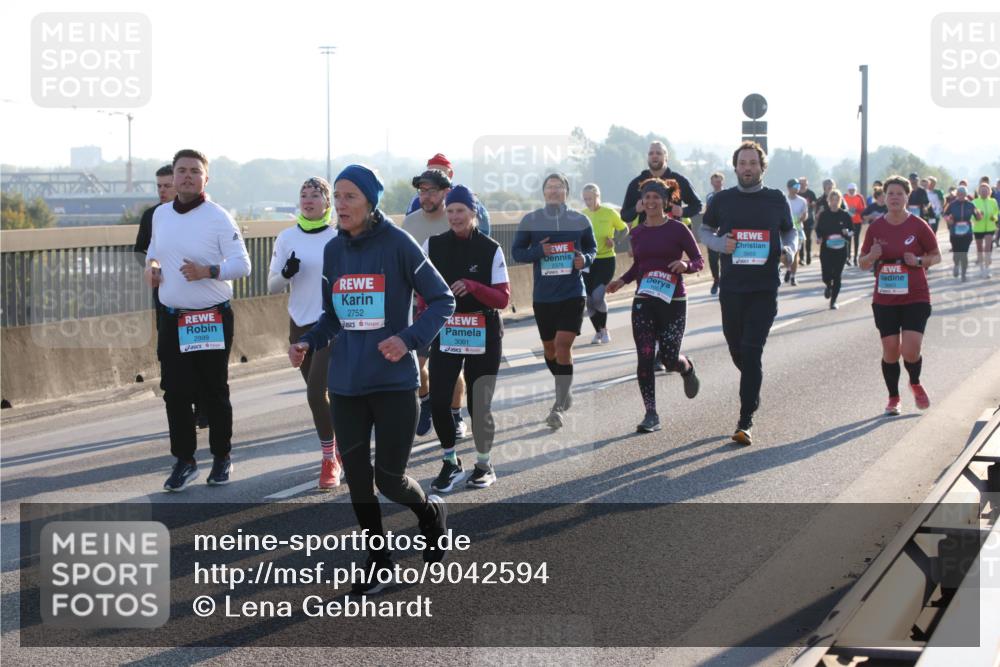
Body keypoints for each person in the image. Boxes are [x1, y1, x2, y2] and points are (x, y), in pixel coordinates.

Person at [289, 164, 454, 591]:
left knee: (390, 479)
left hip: (395, 383)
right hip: (345, 386)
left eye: (349, 197)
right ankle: (379, 559)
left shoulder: (399, 244)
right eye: (337, 197)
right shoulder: (333, 251)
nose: (340, 206)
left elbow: (442, 300)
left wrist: (409, 340)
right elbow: (332, 317)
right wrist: (309, 341)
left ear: (369, 202)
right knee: (359, 480)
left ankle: (429, 514)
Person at [145, 149, 251, 491]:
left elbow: (243, 265)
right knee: (174, 393)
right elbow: (153, 253)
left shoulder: (218, 217)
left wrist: (209, 271)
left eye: (194, 171)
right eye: (181, 171)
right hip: (173, 318)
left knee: (213, 391)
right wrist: (154, 269)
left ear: (206, 179)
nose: (187, 176)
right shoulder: (161, 214)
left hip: (210, 318)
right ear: (173, 177)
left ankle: (221, 457)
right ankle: (185, 460)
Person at [700, 141, 797, 445]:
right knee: (738, 350)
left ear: (761, 167)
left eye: (753, 163)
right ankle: (752, 382)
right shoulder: (722, 200)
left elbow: (789, 231)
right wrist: (718, 244)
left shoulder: (775, 199)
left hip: (764, 288)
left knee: (752, 350)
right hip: (732, 288)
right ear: (735, 167)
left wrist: (790, 249)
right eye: (742, 163)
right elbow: (703, 230)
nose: (747, 168)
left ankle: (745, 419)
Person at [423, 186, 509, 490]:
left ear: (473, 213)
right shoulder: (432, 245)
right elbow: (421, 293)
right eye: (450, 211)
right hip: (448, 331)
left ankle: (484, 464)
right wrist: (425, 314)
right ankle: (450, 462)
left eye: (461, 211)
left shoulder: (490, 248)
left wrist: (473, 286)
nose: (455, 216)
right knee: (439, 401)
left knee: (478, 404)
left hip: (483, 330)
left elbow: (502, 298)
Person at [607, 178, 703, 433]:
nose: (650, 202)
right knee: (645, 355)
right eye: (647, 198)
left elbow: (698, 260)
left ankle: (686, 367)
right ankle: (651, 413)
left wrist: (685, 266)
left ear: (666, 201)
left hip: (673, 300)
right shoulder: (636, 233)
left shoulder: (678, 229)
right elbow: (640, 266)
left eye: (656, 198)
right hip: (644, 299)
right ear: (641, 202)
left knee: (669, 359)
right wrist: (622, 281)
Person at [267, 177, 342, 490]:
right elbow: (272, 286)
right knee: (325, 396)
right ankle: (339, 448)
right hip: (299, 324)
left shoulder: (339, 237)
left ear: (327, 203)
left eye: (316, 195)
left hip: (331, 324)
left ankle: (329, 460)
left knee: (316, 394)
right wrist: (286, 272)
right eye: (304, 195)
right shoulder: (286, 237)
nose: (308, 200)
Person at [511, 173, 597, 429]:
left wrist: (586, 260)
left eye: (559, 187)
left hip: (572, 293)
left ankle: (558, 404)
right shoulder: (531, 220)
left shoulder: (579, 220)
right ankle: (564, 390)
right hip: (543, 296)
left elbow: (592, 249)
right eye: (550, 187)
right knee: (549, 349)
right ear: (544, 192)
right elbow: (516, 252)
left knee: (562, 346)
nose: (554, 191)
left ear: (566, 192)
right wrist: (540, 251)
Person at [858, 175, 941, 416]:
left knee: (910, 351)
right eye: (890, 193)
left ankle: (914, 382)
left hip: (916, 295)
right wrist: (872, 256)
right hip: (885, 298)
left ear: (907, 197)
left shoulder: (918, 225)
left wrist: (917, 260)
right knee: (891, 350)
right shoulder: (875, 227)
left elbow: (936, 256)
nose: (894, 197)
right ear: (884, 197)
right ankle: (893, 397)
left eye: (899, 193)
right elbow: (862, 264)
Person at [402, 169, 467, 441]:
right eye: (421, 191)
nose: (425, 196)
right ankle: (426, 401)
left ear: (444, 192)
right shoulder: (410, 222)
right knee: (417, 362)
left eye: (431, 191)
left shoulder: (454, 218)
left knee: (452, 366)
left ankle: (455, 415)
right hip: (421, 304)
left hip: (453, 302)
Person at [580, 183, 628, 344]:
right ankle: (599, 332)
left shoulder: (609, 213)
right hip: (588, 261)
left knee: (598, 297)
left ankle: (605, 329)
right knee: (588, 300)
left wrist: (615, 241)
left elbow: (624, 229)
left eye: (591, 198)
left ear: (597, 197)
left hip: (606, 260)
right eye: (585, 199)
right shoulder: (582, 215)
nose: (588, 202)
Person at [406, 153, 491, 236]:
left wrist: (481, 240)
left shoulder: (463, 195)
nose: (433, 175)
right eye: (430, 172)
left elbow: (483, 218)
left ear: (450, 174)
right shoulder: (417, 199)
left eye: (439, 172)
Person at [621, 141, 702, 226]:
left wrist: (682, 211)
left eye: (658, 153)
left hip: (672, 235)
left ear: (666, 157)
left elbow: (697, 205)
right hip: (646, 235)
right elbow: (624, 216)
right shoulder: (636, 183)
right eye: (651, 153)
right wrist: (636, 210)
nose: (654, 156)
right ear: (647, 157)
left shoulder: (679, 181)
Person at [815, 189, 854, 309]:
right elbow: (818, 230)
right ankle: (828, 285)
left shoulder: (845, 215)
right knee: (826, 275)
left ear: (840, 200)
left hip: (841, 249)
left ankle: (833, 301)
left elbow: (852, 231)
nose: (835, 202)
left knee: (837, 275)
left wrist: (847, 233)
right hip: (826, 249)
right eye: (832, 200)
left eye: (837, 200)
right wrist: (819, 237)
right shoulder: (824, 215)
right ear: (828, 201)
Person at [943, 185, 976, 281]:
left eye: (963, 194)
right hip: (955, 232)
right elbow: (945, 214)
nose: (961, 195)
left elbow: (977, 216)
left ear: (966, 194)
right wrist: (948, 220)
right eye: (959, 194)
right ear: (957, 194)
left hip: (967, 233)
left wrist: (979, 215)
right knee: (957, 253)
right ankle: (956, 265)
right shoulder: (952, 204)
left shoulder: (971, 205)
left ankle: (964, 274)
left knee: (964, 253)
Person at [971, 181, 999, 277]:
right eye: (982, 191)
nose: (984, 192)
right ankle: (981, 266)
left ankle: (987, 268)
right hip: (978, 228)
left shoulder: (993, 201)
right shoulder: (974, 202)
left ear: (989, 191)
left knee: (987, 246)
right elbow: (972, 216)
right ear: (979, 192)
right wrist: (977, 217)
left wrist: (994, 218)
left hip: (990, 227)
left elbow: (996, 212)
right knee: (979, 248)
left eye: (986, 190)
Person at [705, 172, 726, 294]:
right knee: (713, 259)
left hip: (725, 230)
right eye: (715, 181)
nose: (717, 183)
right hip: (712, 231)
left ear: (722, 182)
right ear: (711, 183)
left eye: (719, 181)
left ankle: (724, 280)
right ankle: (716, 280)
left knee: (724, 257)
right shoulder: (709, 196)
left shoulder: (728, 195)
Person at [784, 179, 808, 285]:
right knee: (784, 253)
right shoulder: (783, 200)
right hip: (785, 230)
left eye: (798, 185)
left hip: (797, 230)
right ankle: (788, 269)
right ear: (789, 188)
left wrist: (803, 217)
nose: (797, 188)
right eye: (795, 186)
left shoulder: (802, 201)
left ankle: (793, 276)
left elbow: (805, 214)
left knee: (795, 253)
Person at [843, 183, 867, 266]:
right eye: (850, 190)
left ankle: (855, 258)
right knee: (848, 239)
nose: (851, 192)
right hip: (847, 222)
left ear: (855, 190)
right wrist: (847, 211)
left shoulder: (859, 197)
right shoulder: (844, 197)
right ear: (847, 190)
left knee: (856, 239)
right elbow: (841, 207)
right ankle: (848, 257)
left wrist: (856, 210)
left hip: (857, 222)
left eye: (853, 190)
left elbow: (863, 209)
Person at [798, 176, 818, 266]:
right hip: (798, 219)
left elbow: (815, 205)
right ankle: (801, 258)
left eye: (803, 183)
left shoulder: (811, 193)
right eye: (800, 184)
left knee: (808, 238)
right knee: (801, 239)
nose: (802, 185)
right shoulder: (797, 193)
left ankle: (808, 256)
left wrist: (813, 205)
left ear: (807, 184)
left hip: (809, 219)